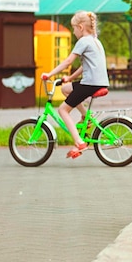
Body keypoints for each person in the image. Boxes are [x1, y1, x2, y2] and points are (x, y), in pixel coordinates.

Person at [41, 11, 109, 159]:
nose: (73, 32)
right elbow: (84, 66)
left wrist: (49, 74)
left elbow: (68, 61)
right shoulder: (95, 41)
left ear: (80, 27)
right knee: (66, 89)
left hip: (90, 83)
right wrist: (69, 78)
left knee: (62, 110)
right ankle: (86, 116)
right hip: (97, 82)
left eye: (74, 28)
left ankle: (79, 142)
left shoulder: (83, 41)